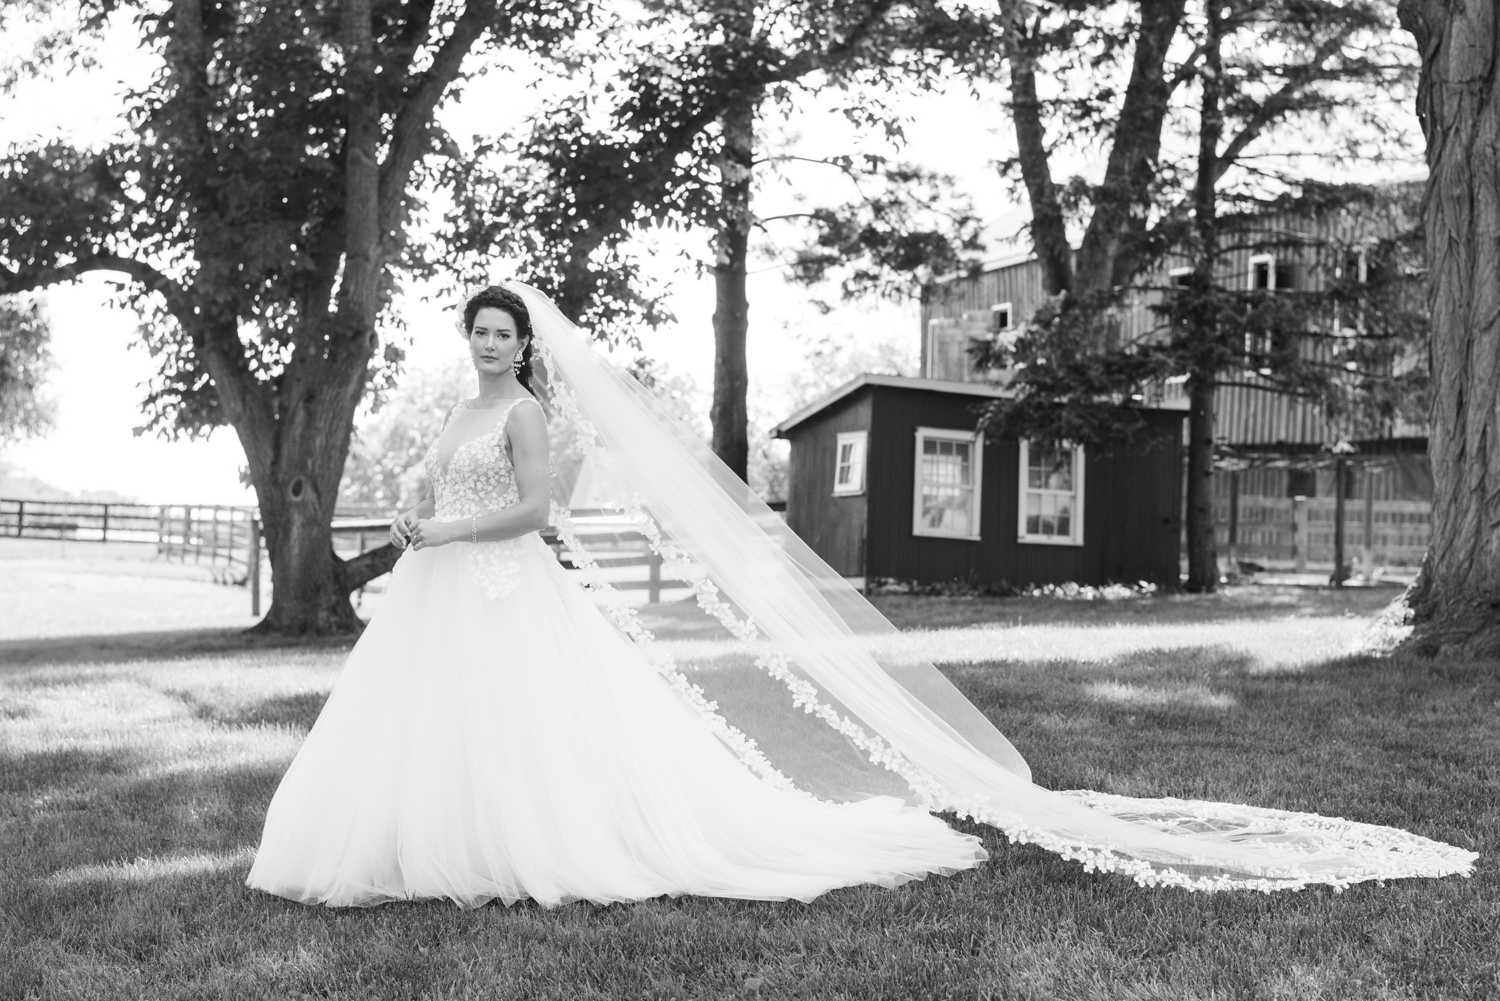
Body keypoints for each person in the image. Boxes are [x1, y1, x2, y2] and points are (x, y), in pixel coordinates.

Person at [247, 283, 1474, 909]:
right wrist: (412, 520)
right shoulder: (461, 404)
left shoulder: (523, 415)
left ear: (529, 346)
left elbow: (532, 515)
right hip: (443, 594)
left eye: (506, 331)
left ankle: (528, 845)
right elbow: (445, 491)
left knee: (528, 730)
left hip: (505, 586)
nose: (492, 344)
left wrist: (450, 524)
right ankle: (425, 843)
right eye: (479, 330)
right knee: (434, 728)